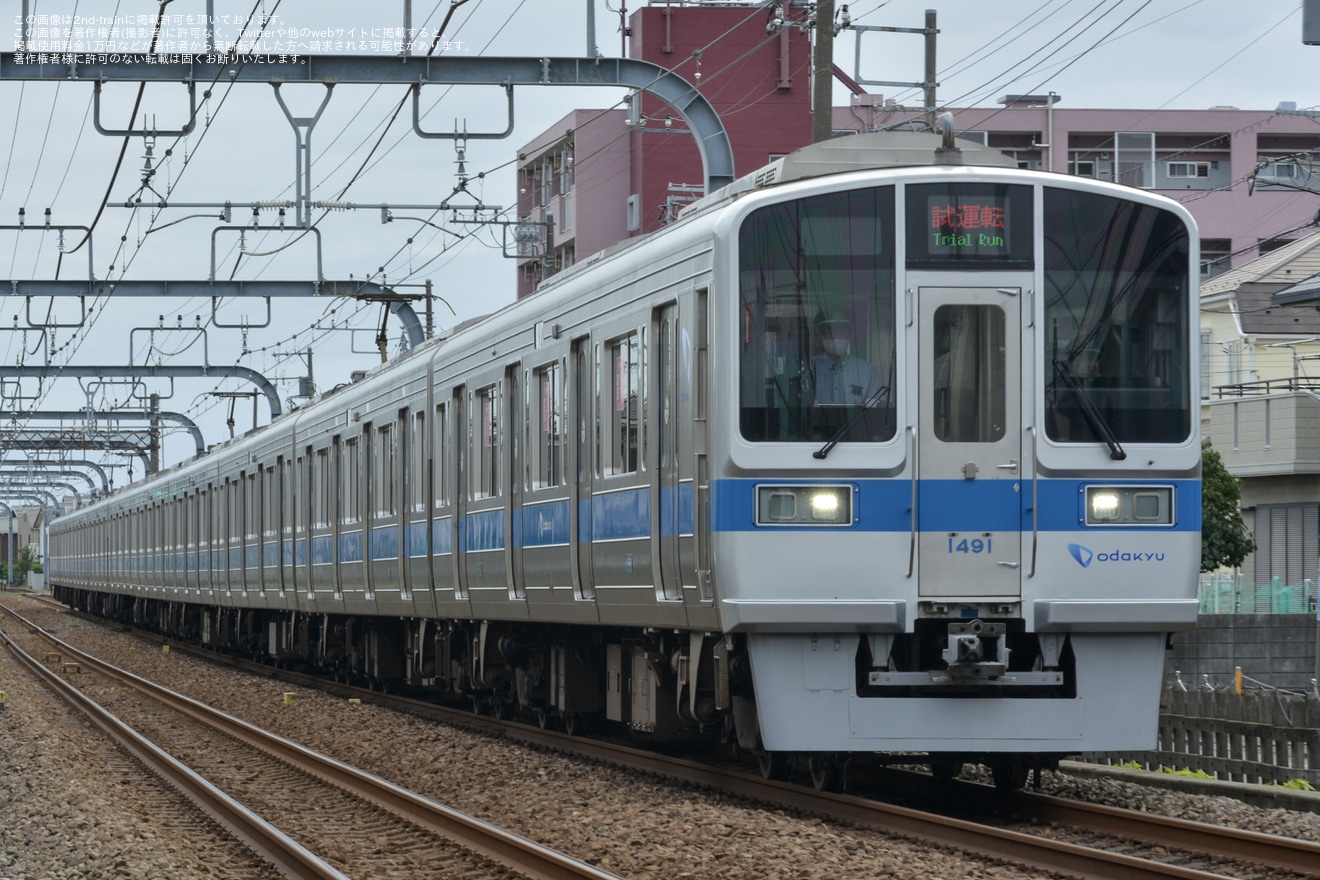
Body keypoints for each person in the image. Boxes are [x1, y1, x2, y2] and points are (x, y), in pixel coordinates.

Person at [812, 311, 884, 406]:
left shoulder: (866, 371)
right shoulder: (811, 368)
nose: (836, 336)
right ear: (821, 335)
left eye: (842, 332)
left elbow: (877, 413)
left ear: (850, 334)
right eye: (830, 332)